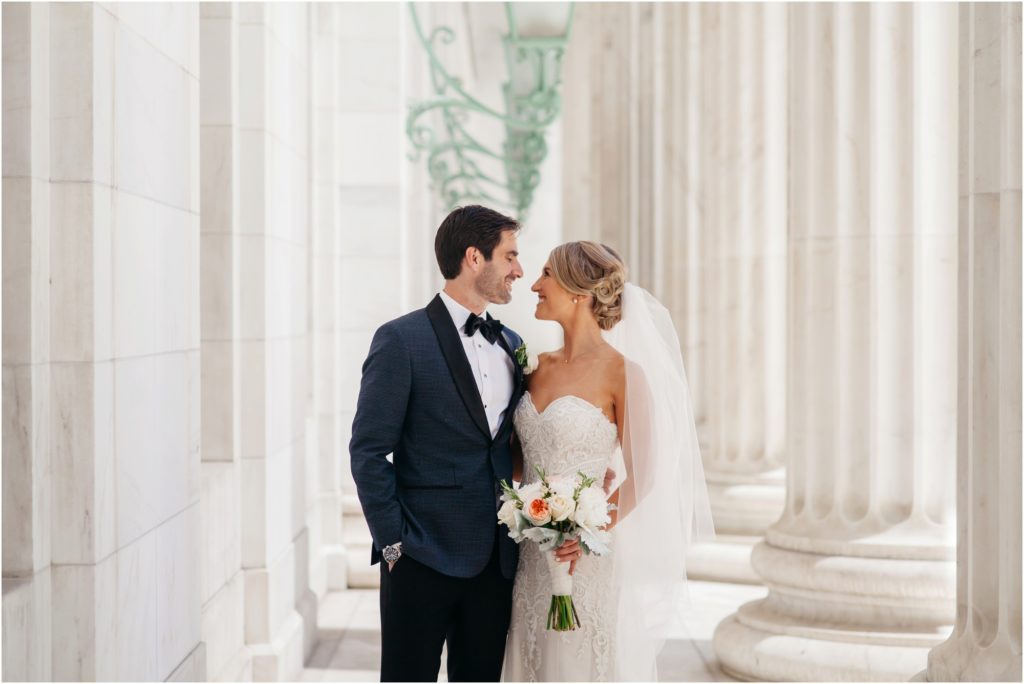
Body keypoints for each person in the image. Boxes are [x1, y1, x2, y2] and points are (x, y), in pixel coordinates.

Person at [348, 205, 579, 681]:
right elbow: (368, 451)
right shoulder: (401, 340)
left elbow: (514, 445)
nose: (519, 271)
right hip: (419, 557)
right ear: (475, 258)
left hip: (496, 564)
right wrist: (393, 544)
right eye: (510, 256)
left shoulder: (510, 343)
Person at [502, 241, 715, 682]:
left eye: (547, 275)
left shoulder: (623, 372)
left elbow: (645, 474)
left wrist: (585, 533)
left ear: (578, 292)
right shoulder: (534, 369)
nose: (535, 285)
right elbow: (518, 463)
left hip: (585, 557)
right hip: (528, 552)